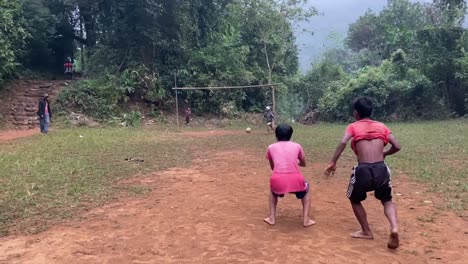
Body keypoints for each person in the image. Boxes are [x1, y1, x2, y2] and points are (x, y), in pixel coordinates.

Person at [324, 96, 401, 249]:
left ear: (356, 113)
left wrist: (333, 162)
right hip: (381, 169)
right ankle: (394, 228)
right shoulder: (382, 126)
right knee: (387, 200)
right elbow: (397, 146)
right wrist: (385, 153)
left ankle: (366, 231)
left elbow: (343, 142)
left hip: (363, 169)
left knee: (354, 198)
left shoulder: (353, 126)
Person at [264, 124, 316, 227]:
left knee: (272, 190)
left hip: (278, 180)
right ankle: (306, 220)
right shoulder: (297, 146)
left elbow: (273, 167)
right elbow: (304, 164)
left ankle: (272, 218)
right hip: (296, 180)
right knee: (306, 189)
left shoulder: (271, 147)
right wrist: (296, 162)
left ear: (276, 135)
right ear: (290, 135)